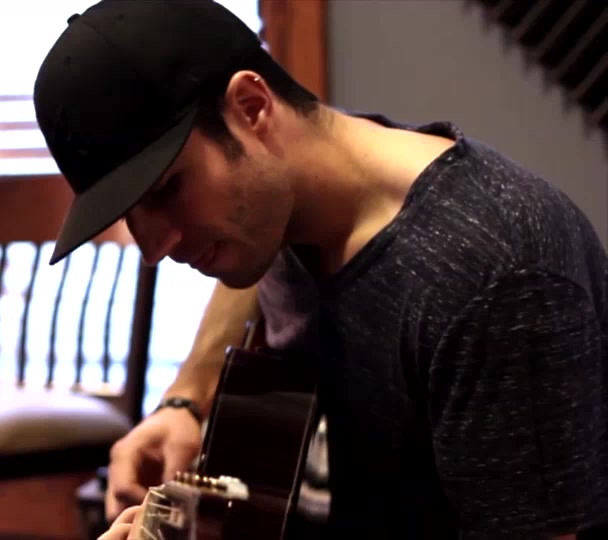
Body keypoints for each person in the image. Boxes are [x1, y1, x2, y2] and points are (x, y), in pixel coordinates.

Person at [32, 0, 608, 538]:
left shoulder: (492, 280)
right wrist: (185, 401)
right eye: (131, 215)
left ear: (251, 107)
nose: (153, 247)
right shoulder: (277, 209)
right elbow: (250, 272)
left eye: (165, 190)